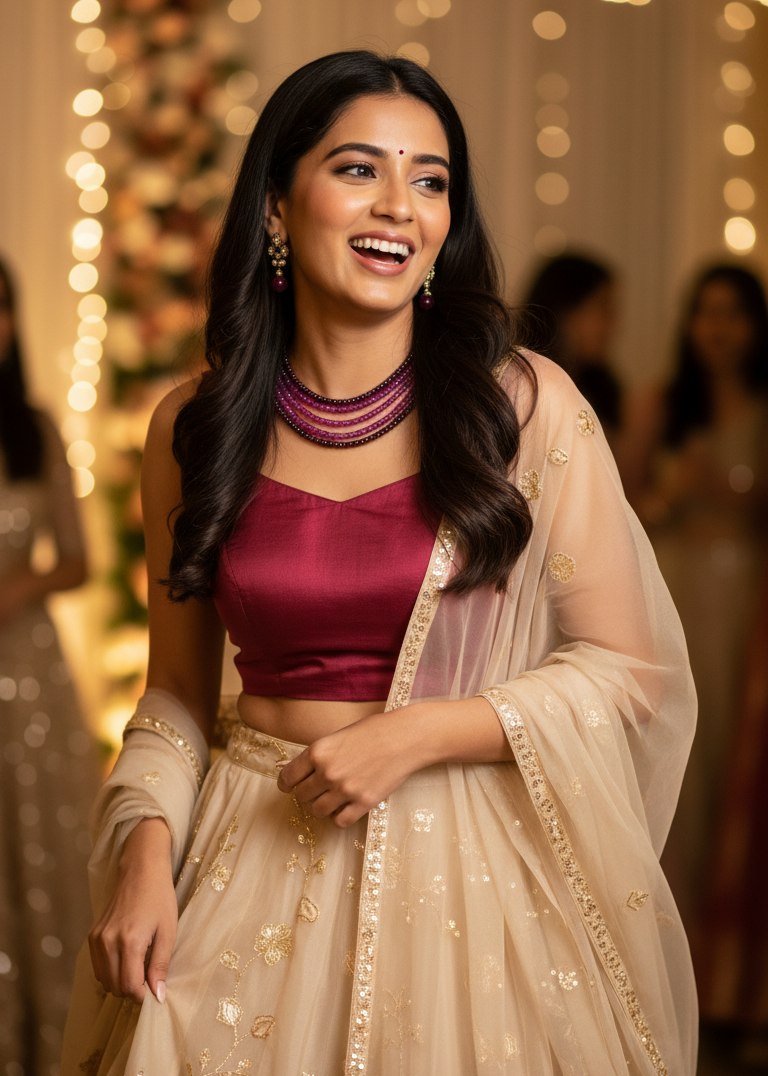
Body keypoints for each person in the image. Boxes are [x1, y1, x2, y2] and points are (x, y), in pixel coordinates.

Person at [62, 51, 697, 1076]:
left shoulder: (522, 410)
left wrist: (417, 734)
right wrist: (142, 845)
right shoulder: (196, 424)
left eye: (432, 178)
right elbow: (176, 689)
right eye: (359, 168)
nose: (400, 204)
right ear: (277, 205)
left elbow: (632, 674)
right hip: (247, 856)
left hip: (469, 879)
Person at [624, 265, 768, 952]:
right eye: (707, 313)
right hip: (674, 587)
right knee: (676, 755)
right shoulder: (662, 404)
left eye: (734, 314)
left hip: (747, 597)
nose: (719, 329)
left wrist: (736, 498)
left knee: (736, 762)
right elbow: (617, 512)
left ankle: (730, 966)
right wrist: (675, 495)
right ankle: (667, 951)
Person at [0, 257, 99, 1075]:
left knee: (36, 846)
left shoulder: (30, 427)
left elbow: (77, 561)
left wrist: (19, 586)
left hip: (24, 671)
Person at [522, 253, 622, 444]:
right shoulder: (525, 387)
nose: (614, 325)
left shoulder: (602, 388)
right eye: (603, 307)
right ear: (564, 311)